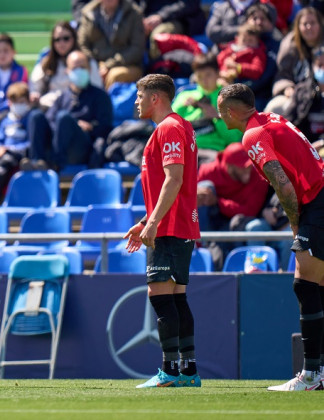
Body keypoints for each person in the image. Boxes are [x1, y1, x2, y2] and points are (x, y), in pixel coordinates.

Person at [218, 83, 324, 391]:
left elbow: (284, 186)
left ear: (231, 111)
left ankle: (312, 374)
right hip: (319, 195)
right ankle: (318, 372)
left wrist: (295, 224)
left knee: (304, 286)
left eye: (222, 109)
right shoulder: (274, 118)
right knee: (316, 286)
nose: (221, 115)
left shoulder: (252, 135)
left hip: (315, 203)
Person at [123, 74, 201, 388]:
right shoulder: (179, 126)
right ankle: (188, 371)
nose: (136, 102)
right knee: (177, 299)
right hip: (178, 223)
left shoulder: (168, 128)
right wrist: (146, 220)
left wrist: (152, 225)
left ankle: (169, 371)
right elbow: (169, 189)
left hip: (169, 228)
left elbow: (174, 180)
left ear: (155, 98)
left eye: (140, 96)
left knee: (160, 297)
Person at [29, 50, 113, 172]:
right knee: (36, 116)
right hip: (57, 144)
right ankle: (36, 162)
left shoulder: (100, 96)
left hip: (81, 148)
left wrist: (90, 126)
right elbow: (49, 121)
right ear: (67, 71)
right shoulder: (62, 97)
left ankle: (56, 164)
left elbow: (106, 127)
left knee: (63, 117)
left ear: (89, 69)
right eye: (74, 68)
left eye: (82, 67)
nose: (79, 71)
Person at [196, 142, 270, 269]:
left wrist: (218, 202)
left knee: (256, 227)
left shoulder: (258, 175)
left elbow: (250, 210)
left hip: (243, 222)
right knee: (203, 188)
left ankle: (254, 270)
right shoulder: (208, 171)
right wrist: (194, 193)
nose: (247, 169)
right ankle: (199, 243)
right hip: (212, 222)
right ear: (228, 166)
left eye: (248, 165)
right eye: (242, 166)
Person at [172, 53, 242, 165]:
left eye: (208, 75)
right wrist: (181, 108)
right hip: (185, 152)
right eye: (199, 77)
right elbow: (169, 128)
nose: (204, 81)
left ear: (218, 74)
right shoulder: (184, 96)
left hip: (213, 152)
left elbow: (234, 139)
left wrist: (217, 118)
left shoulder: (230, 100)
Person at [265, 7, 324, 117]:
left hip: (320, 92)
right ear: (298, 26)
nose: (309, 27)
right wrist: (287, 87)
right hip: (297, 94)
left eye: (313, 23)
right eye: (305, 23)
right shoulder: (290, 46)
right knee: (274, 107)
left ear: (320, 25)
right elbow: (282, 74)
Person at [29, 21, 102, 109]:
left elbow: (97, 88)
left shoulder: (87, 62)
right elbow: (35, 87)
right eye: (57, 40)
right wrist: (35, 95)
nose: (61, 43)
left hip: (80, 106)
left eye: (66, 38)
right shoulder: (46, 63)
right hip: (50, 107)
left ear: (74, 39)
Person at [76, 0, 145, 89]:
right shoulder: (88, 13)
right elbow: (82, 45)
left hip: (127, 65)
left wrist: (109, 65)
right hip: (95, 64)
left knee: (114, 75)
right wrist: (94, 65)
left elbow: (137, 49)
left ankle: (105, 102)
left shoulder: (134, 13)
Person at [0, 82, 33, 195]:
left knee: (3, 163)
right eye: (15, 102)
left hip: (18, 155)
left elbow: (30, 143)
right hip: (3, 153)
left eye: (21, 102)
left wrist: (10, 148)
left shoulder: (30, 120)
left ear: (28, 102)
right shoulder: (5, 121)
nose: (18, 106)